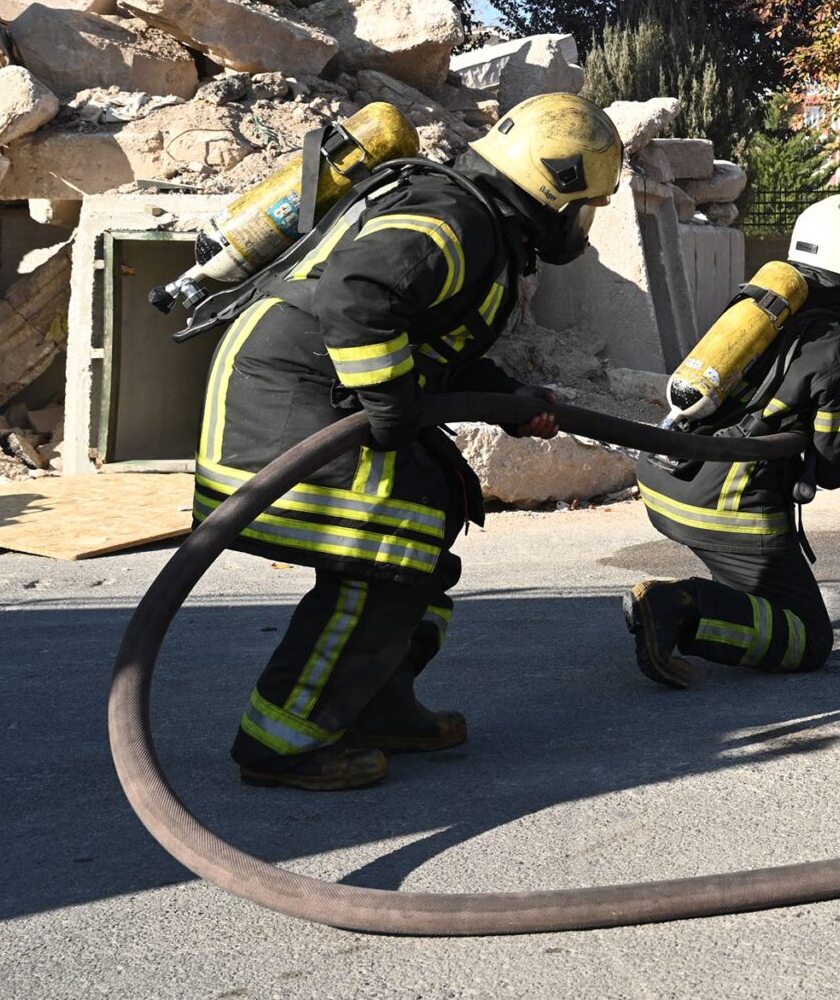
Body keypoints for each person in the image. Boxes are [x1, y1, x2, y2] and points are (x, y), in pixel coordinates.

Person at [194, 92, 623, 790]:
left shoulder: (477, 224)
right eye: (588, 205)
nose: (584, 223)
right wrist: (394, 413)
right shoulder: (459, 220)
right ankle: (283, 740)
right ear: (558, 187)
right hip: (289, 396)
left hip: (319, 389)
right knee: (392, 544)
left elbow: (429, 336)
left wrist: (508, 397)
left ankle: (375, 704)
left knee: (429, 516)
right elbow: (355, 297)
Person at [622, 192, 840, 686]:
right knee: (806, 638)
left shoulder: (766, 305)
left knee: (763, 595)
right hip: (723, 507)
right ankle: (678, 608)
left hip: (668, 478)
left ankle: (717, 599)